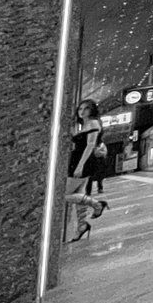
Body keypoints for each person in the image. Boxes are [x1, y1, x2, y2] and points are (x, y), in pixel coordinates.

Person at [64, 100, 109, 241]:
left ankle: (97, 204)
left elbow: (90, 145)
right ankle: (82, 226)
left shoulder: (93, 123)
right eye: (80, 109)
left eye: (86, 109)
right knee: (78, 195)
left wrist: (80, 165)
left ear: (92, 110)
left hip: (82, 161)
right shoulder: (84, 125)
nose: (82, 112)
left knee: (62, 195)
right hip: (79, 160)